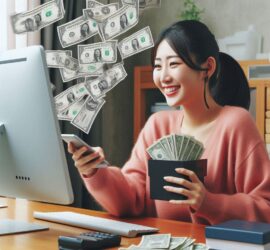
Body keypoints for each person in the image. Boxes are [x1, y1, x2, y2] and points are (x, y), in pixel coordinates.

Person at [68, 20, 270, 225]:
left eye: (173, 64)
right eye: (157, 66)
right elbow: (131, 198)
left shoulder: (236, 123)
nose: (163, 77)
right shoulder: (158, 125)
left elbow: (266, 208)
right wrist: (95, 171)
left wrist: (208, 202)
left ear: (207, 67)